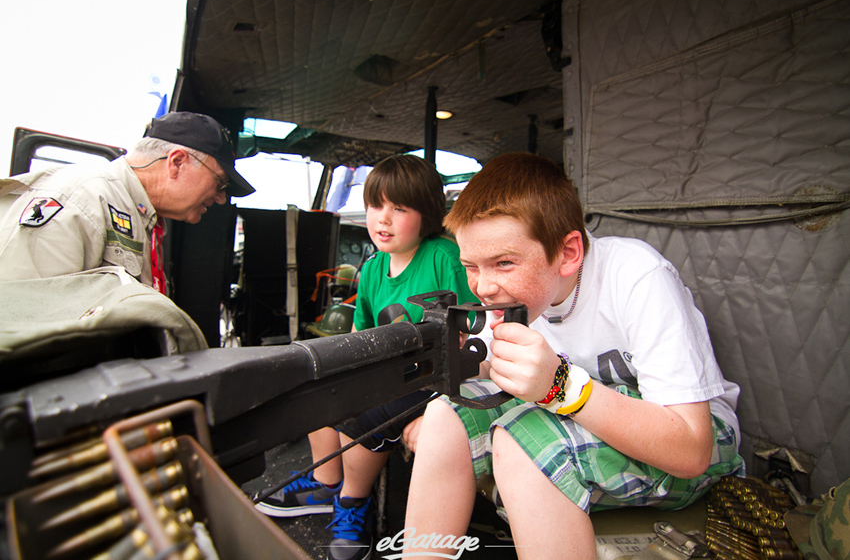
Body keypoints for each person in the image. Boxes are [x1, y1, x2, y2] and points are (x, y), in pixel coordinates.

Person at [403, 153, 745, 559]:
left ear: (568, 253)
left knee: (522, 442)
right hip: (593, 424)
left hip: (699, 445)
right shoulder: (518, 298)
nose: (485, 287)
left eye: (504, 263)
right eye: (470, 266)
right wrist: (458, 362)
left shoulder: (636, 276)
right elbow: (497, 374)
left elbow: (691, 450)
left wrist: (560, 387)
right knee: (446, 417)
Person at [255, 154, 477, 560]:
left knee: (362, 412)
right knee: (317, 385)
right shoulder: (373, 269)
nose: (383, 219)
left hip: (435, 379)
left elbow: (472, 332)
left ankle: (353, 502)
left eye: (399, 208)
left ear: (427, 213)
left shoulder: (445, 258)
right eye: (376, 205)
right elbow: (361, 334)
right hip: (391, 372)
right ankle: (326, 483)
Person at [0, 112, 255, 292]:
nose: (221, 198)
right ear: (176, 162)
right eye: (220, 183)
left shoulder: (144, 217)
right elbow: (27, 326)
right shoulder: (79, 199)